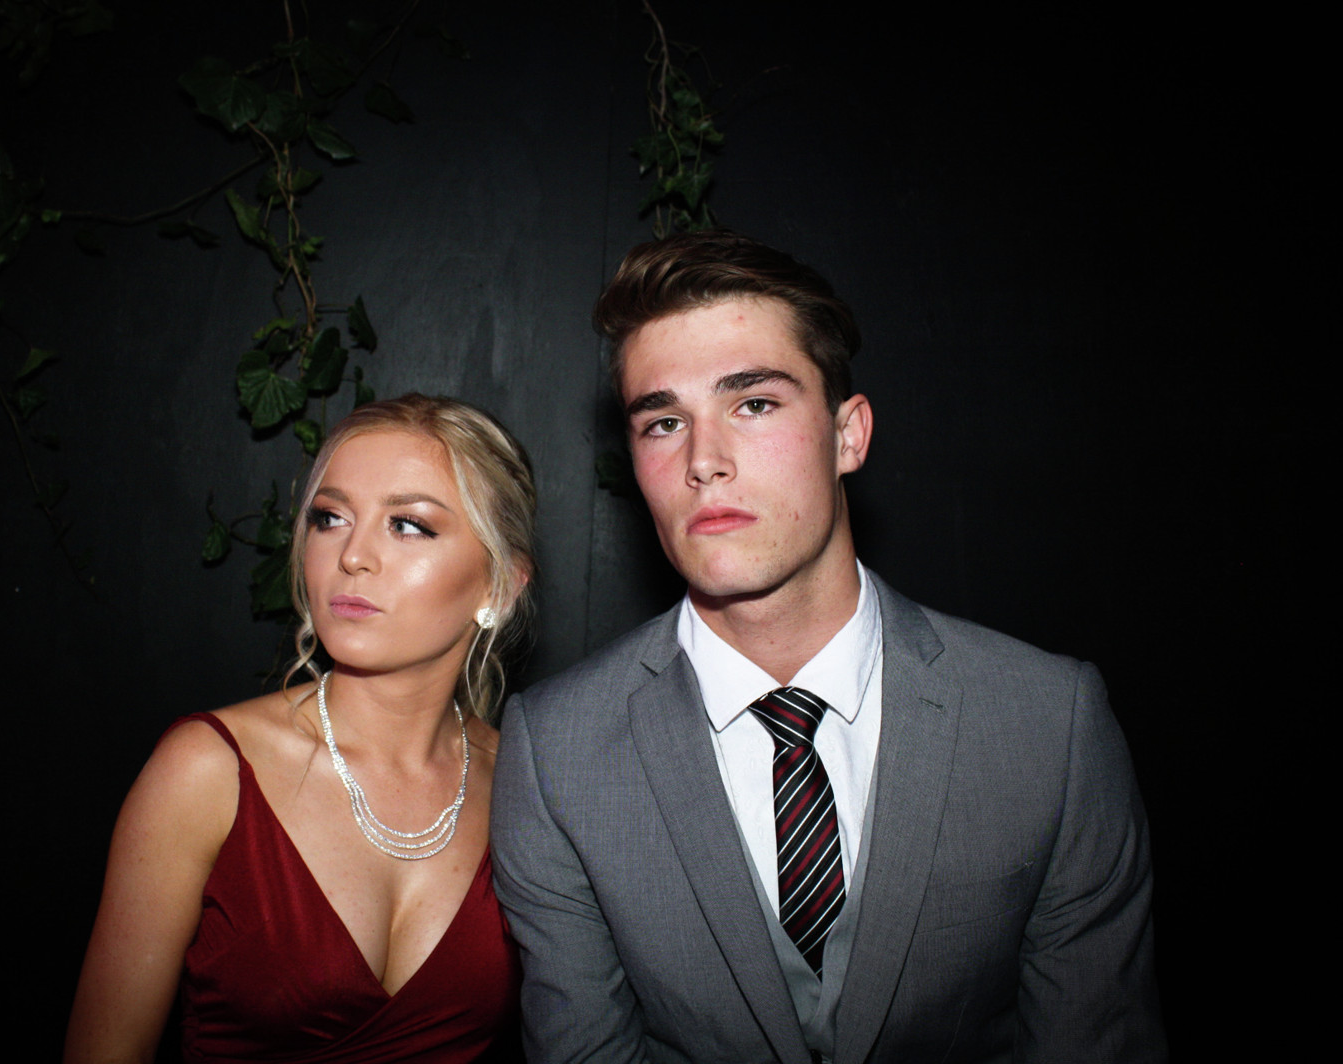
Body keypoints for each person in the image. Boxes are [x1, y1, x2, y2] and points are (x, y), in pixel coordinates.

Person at [490, 230, 1164, 1062]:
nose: (705, 460)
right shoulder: (556, 754)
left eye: (754, 404)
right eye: (663, 422)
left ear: (849, 435)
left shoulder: (1048, 724)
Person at [66, 394, 536, 1064]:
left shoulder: (530, 786)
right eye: (330, 518)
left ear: (500, 587)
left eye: (407, 525)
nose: (352, 556)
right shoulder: (209, 771)